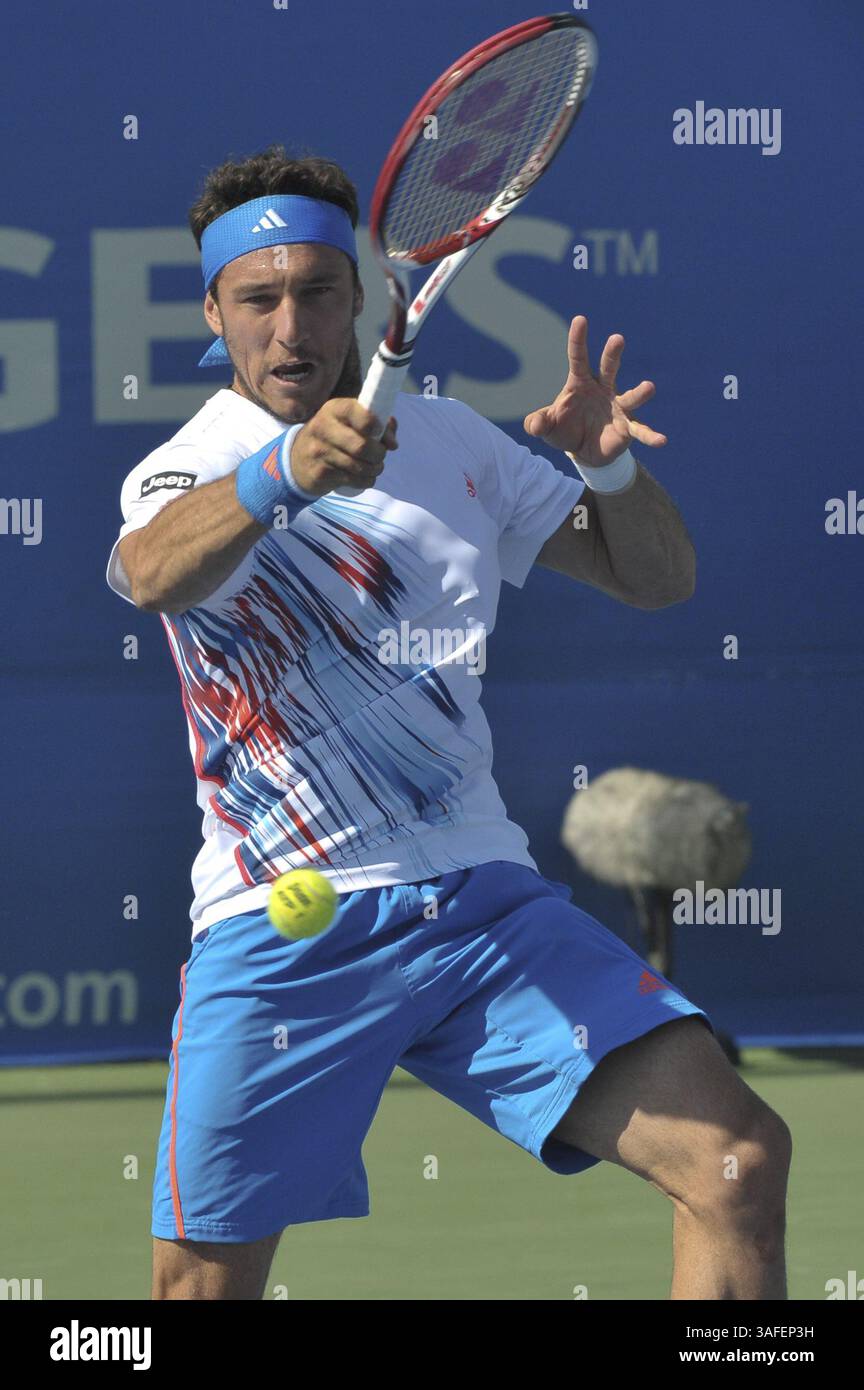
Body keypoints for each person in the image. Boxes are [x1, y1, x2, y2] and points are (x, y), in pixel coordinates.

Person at [106, 145, 791, 1301]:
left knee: (737, 1160)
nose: (291, 327)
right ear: (213, 312)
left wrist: (607, 473)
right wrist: (284, 474)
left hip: (480, 902)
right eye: (258, 299)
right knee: (197, 1293)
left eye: (318, 290)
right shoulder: (185, 471)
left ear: (363, 299)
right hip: (283, 933)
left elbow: (657, 577)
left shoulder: (457, 443)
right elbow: (153, 569)